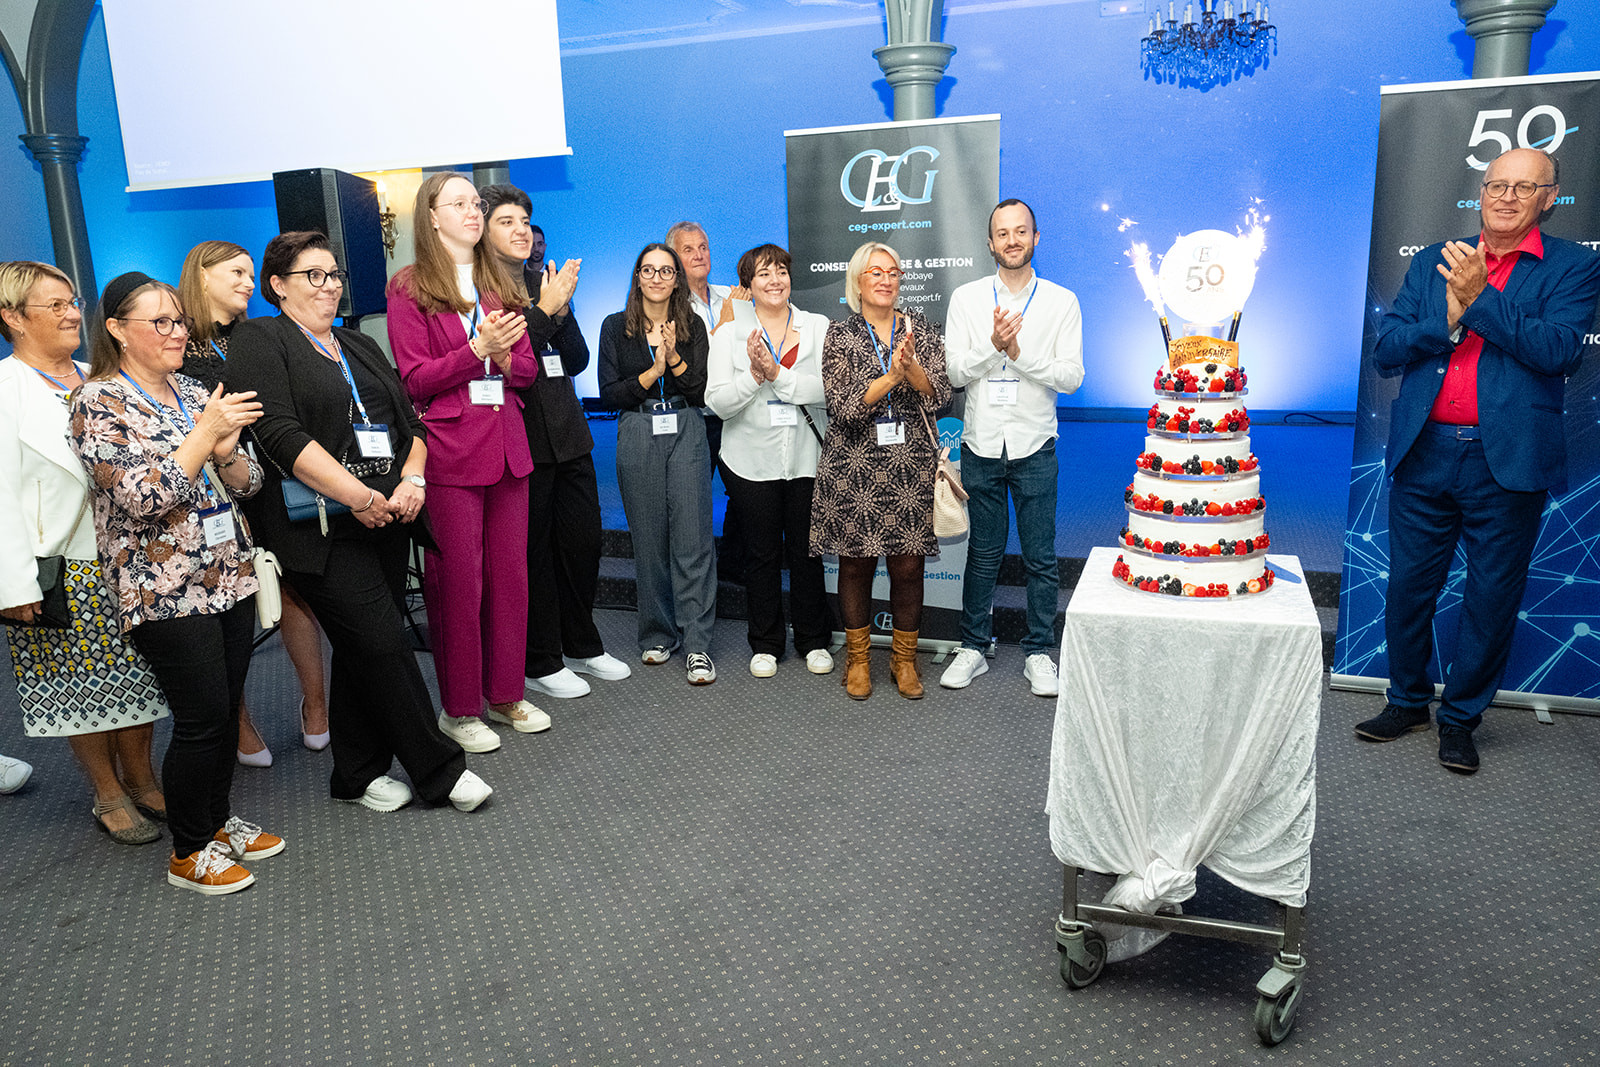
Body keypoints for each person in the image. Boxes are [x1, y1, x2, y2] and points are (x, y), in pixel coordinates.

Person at [226, 230, 492, 814]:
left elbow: (412, 425)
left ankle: (356, 771)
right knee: (383, 642)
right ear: (277, 285)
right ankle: (439, 771)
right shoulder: (260, 339)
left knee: (359, 648)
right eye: (312, 275)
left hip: (390, 515)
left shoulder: (359, 345)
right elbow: (280, 436)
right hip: (319, 526)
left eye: (334, 274)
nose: (329, 285)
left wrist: (411, 480)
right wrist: (359, 497)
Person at [1358, 147, 1600, 775]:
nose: (1508, 197)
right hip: (1425, 450)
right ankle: (1407, 700)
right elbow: (1388, 349)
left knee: (1492, 597)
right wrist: (1447, 319)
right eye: (1497, 185)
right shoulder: (1438, 259)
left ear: (1550, 198)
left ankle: (1461, 720)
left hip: (1509, 460)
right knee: (1410, 587)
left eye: (1526, 187)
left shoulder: (1574, 267)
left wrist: (1480, 300)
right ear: (1481, 191)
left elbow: (1559, 351)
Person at [68, 271, 280, 895]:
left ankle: (215, 823)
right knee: (202, 717)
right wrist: (203, 437)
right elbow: (142, 500)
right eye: (158, 321)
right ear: (117, 330)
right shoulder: (97, 402)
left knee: (229, 699)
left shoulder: (193, 389)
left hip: (227, 574)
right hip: (162, 588)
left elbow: (248, 486)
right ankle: (190, 850)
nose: (175, 331)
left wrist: (230, 452)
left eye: (179, 320)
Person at [1, 261, 169, 843]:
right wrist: (13, 585)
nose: (74, 313)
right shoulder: (6, 389)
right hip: (60, 566)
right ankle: (108, 792)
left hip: (132, 558)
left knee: (139, 678)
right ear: (13, 317)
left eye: (74, 301)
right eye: (56, 305)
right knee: (81, 687)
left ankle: (145, 780)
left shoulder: (96, 378)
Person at [387, 172, 550, 752]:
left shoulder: (497, 281)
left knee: (511, 580)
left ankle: (505, 695)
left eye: (475, 203)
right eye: (458, 203)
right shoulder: (409, 287)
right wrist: (475, 351)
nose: (473, 212)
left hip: (508, 449)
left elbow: (528, 373)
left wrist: (504, 357)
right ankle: (459, 708)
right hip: (451, 452)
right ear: (431, 217)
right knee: (458, 583)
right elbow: (414, 380)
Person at [178, 239, 332, 758]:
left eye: (251, 273)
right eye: (237, 273)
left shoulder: (261, 336)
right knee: (231, 606)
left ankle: (316, 704)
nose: (249, 282)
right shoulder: (178, 344)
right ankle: (238, 722)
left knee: (295, 592)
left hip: (275, 481)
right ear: (201, 277)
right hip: (210, 494)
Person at [480, 183, 631, 699]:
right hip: (521, 437)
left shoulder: (538, 279)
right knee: (535, 553)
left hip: (569, 433)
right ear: (482, 229)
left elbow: (576, 360)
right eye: (508, 221)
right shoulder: (479, 289)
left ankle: (582, 645)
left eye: (525, 220)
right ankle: (540, 659)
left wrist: (559, 312)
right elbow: (512, 358)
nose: (522, 229)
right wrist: (543, 311)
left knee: (583, 542)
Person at [940, 199, 1083, 698]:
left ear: (1036, 238)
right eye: (1002, 233)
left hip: (1035, 443)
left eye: (1021, 231)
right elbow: (955, 372)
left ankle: (1040, 651)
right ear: (990, 243)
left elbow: (1071, 377)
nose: (1012, 240)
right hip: (981, 443)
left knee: (1041, 556)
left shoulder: (1061, 301)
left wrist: (1020, 355)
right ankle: (974, 647)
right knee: (982, 553)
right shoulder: (966, 298)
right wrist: (994, 348)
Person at [811, 242, 950, 700]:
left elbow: (941, 398)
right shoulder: (840, 334)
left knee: (909, 567)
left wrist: (912, 372)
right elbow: (843, 409)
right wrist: (890, 377)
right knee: (855, 566)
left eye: (893, 271)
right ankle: (858, 661)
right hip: (854, 467)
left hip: (908, 467)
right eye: (876, 272)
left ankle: (904, 662)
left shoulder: (921, 330)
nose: (886, 279)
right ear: (858, 282)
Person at [705, 243, 835, 678]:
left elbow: (829, 390)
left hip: (806, 458)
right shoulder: (729, 334)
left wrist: (778, 375)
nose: (774, 280)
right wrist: (753, 377)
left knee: (806, 552)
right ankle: (765, 643)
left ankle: (814, 640)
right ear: (748, 284)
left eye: (780, 271)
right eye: (763, 273)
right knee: (760, 555)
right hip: (749, 460)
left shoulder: (817, 327)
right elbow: (718, 402)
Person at [597, 244, 718, 684]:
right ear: (637, 276)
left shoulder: (693, 325)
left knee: (692, 537)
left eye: (665, 270)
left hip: (685, 426)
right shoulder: (615, 327)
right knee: (648, 539)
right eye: (648, 269)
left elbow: (699, 386)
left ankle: (698, 644)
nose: (656, 277)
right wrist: (653, 370)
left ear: (676, 279)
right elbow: (609, 392)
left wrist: (675, 357)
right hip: (637, 428)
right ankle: (657, 634)